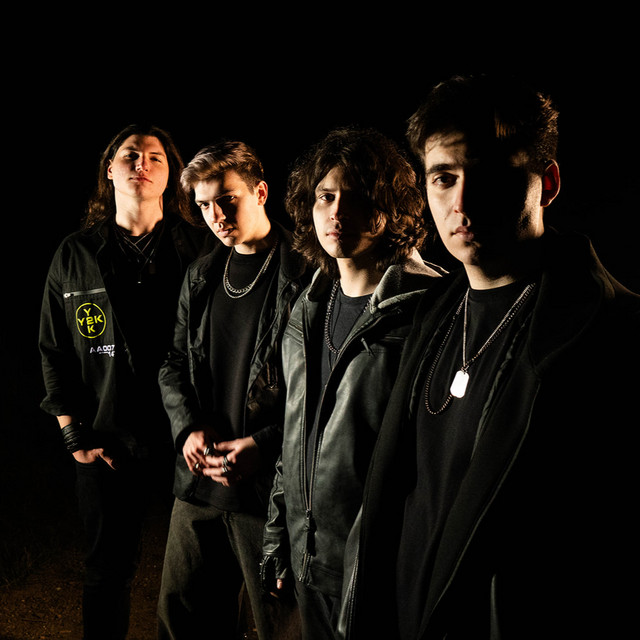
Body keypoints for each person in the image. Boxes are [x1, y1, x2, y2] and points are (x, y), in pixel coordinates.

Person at [344, 74, 640, 639]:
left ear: (546, 183)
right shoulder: (431, 315)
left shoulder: (611, 333)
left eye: (488, 175)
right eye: (444, 178)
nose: (462, 203)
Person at [260, 127, 445, 640]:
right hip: (309, 566)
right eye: (325, 196)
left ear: (390, 210)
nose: (337, 212)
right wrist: (279, 538)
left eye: (357, 197)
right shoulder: (307, 309)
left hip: (381, 574)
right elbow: (295, 437)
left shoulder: (426, 312)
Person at [39, 123, 212, 640]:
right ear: (109, 170)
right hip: (109, 440)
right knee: (107, 573)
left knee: (202, 573)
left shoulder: (200, 246)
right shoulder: (75, 253)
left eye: (155, 157)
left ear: (172, 174)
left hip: (188, 437)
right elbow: (53, 350)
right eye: (131, 155)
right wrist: (74, 436)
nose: (142, 164)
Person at [156, 140, 307, 639]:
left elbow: (322, 389)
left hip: (268, 494)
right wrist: (187, 430)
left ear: (260, 192)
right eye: (204, 206)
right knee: (181, 622)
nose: (216, 216)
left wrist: (264, 445)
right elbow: (174, 363)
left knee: (278, 627)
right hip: (198, 486)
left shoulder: (307, 274)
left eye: (227, 200)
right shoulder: (201, 275)